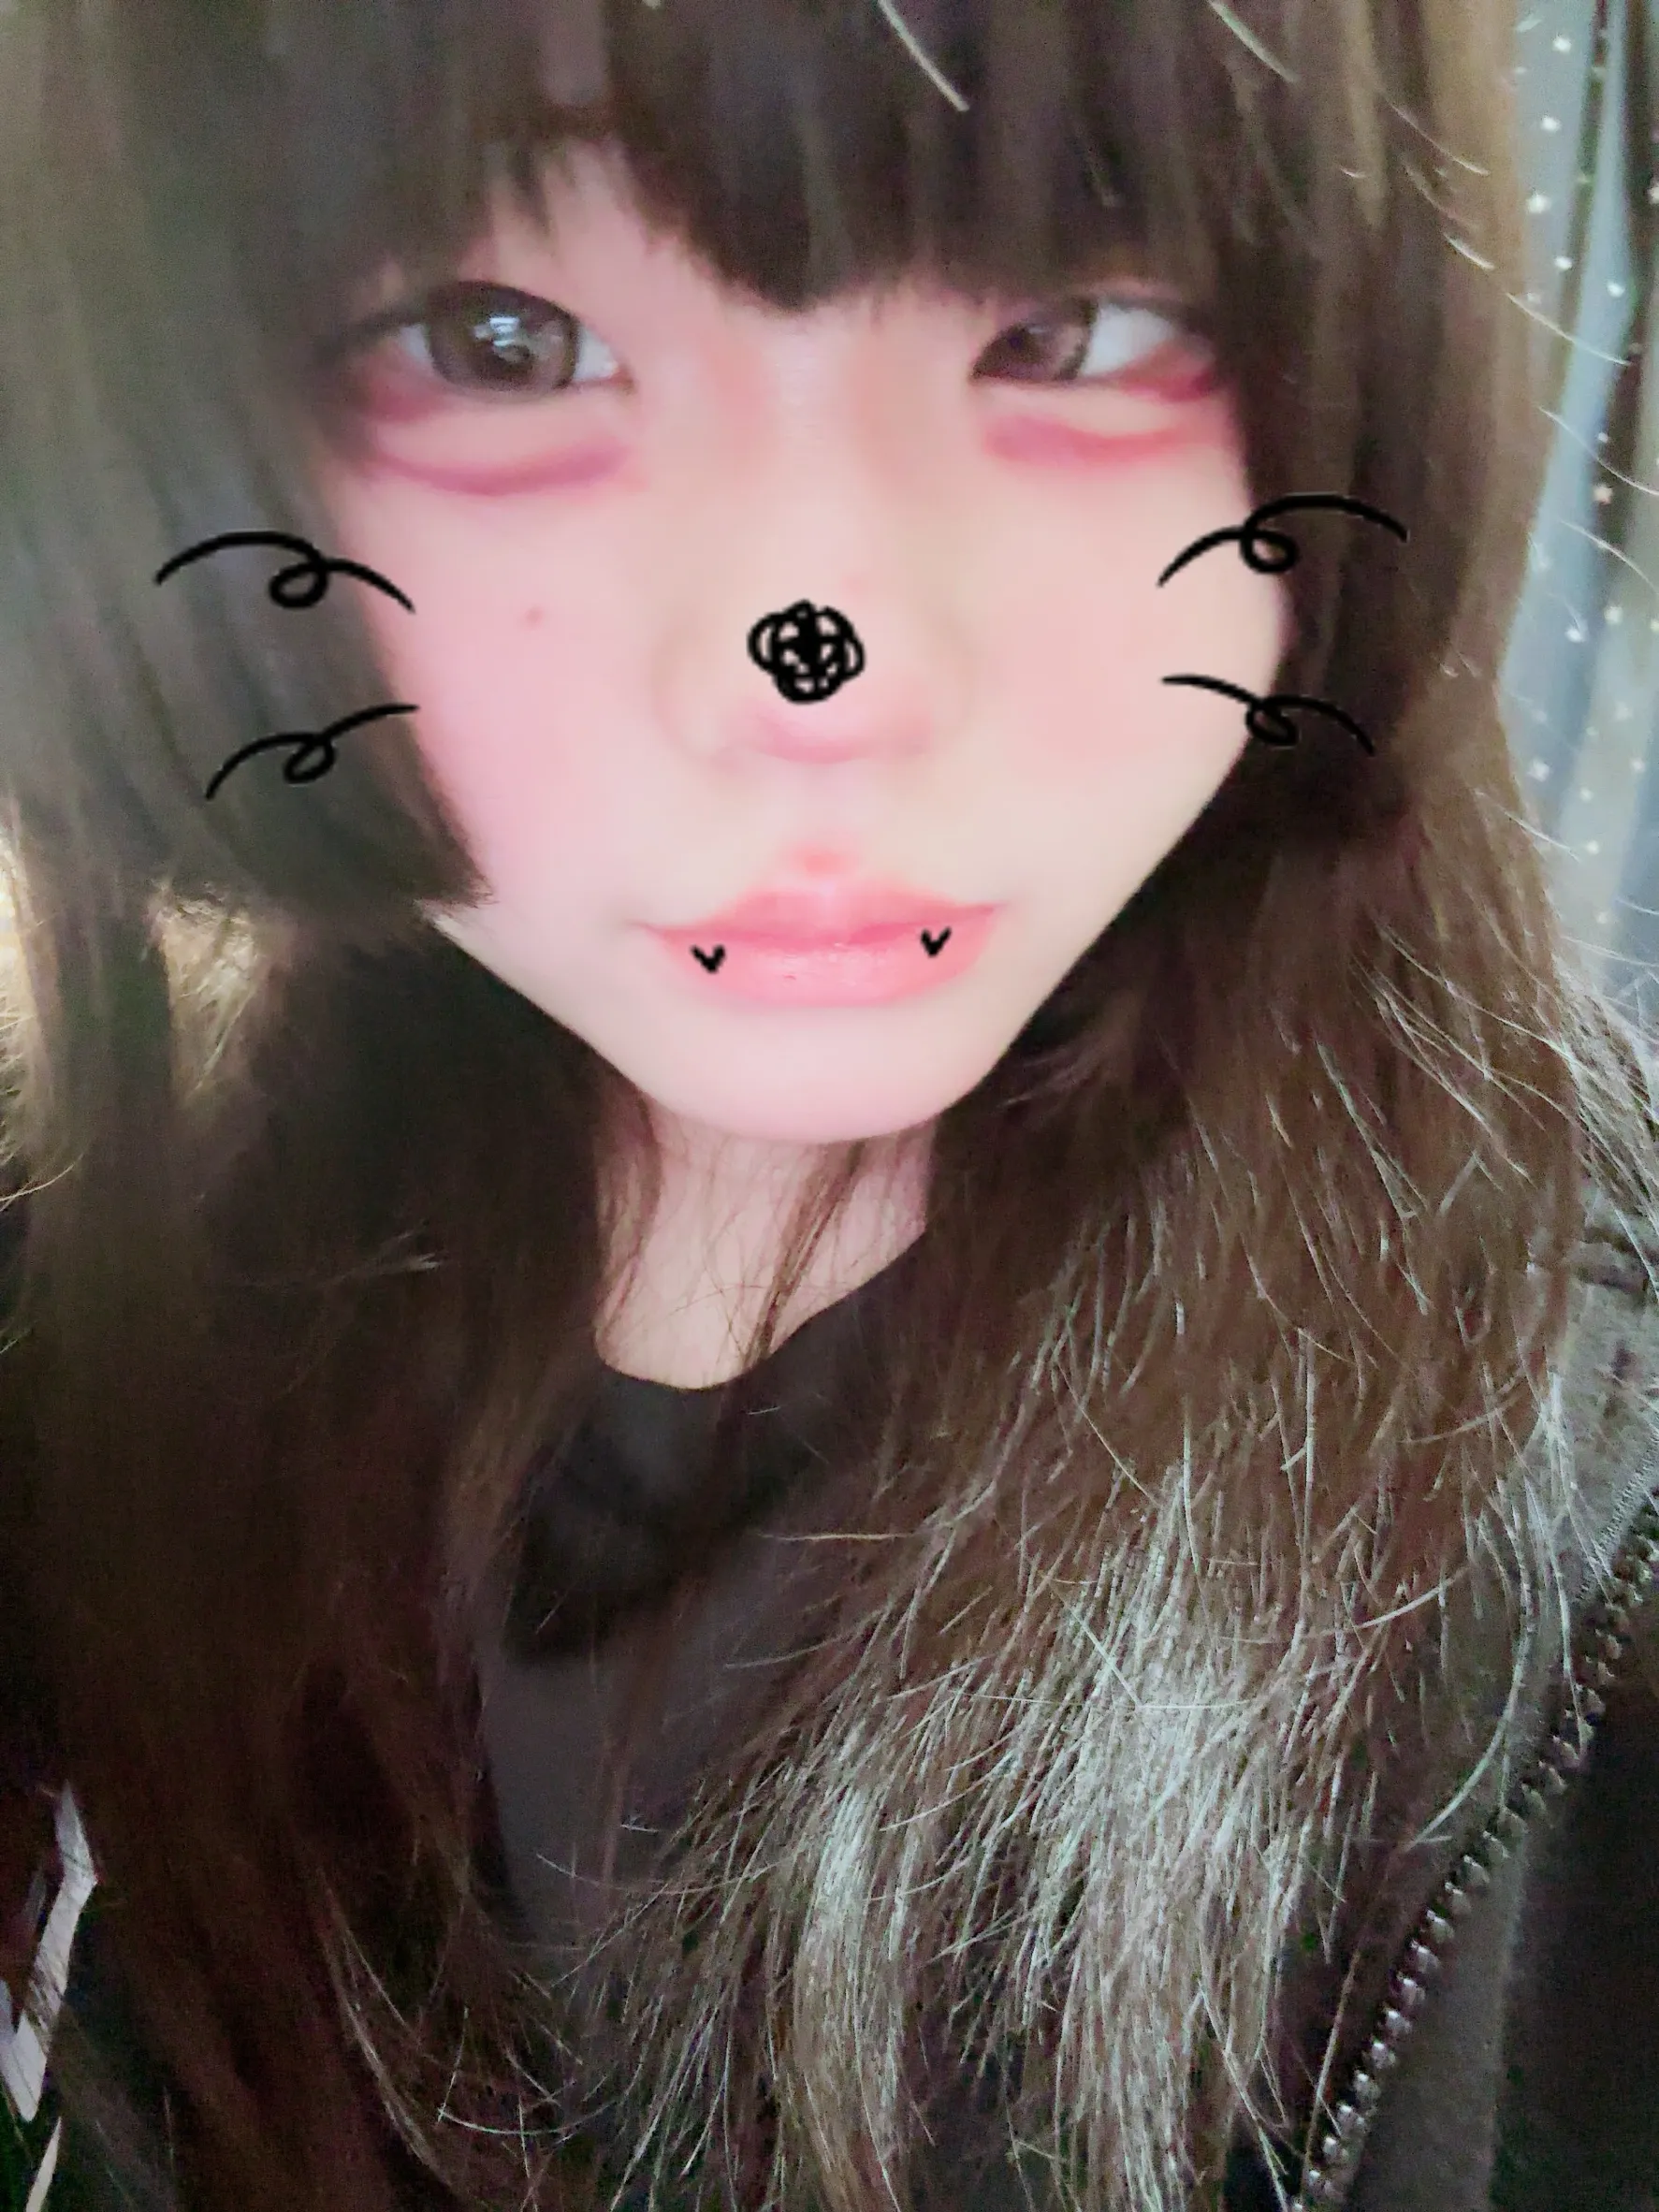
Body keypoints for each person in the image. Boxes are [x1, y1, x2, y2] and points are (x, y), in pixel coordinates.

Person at [1, 0, 1656, 2207]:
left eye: (1070, 329)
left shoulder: (1585, 1609)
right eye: (502, 345)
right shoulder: (78, 1325)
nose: (827, 669)